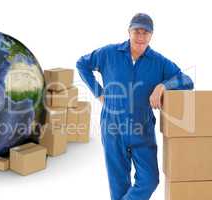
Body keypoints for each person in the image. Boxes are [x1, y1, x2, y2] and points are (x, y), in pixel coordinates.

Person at [76, 13, 194, 200]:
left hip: (142, 127)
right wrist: (98, 92)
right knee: (119, 185)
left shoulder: (159, 61)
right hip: (113, 126)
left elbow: (186, 80)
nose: (140, 37)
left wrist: (163, 86)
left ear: (151, 35)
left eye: (145, 32)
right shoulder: (109, 53)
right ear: (128, 32)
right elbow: (82, 63)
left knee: (149, 180)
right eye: (136, 31)